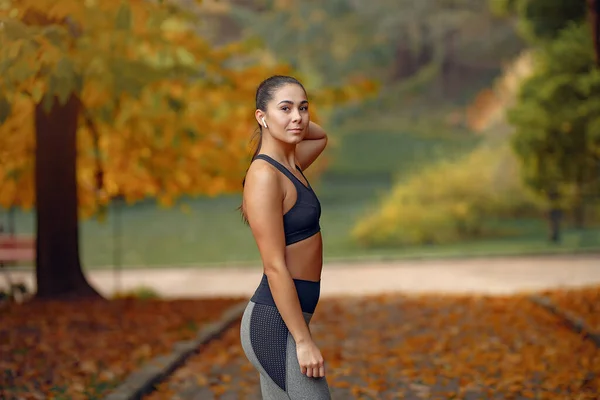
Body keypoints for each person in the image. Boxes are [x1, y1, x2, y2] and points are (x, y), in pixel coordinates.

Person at [238, 75, 332, 399]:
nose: (298, 117)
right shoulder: (265, 175)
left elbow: (319, 136)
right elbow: (274, 266)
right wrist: (304, 341)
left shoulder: (290, 165)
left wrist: (290, 116)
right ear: (261, 116)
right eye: (285, 108)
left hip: (288, 321)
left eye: (303, 108)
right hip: (274, 326)